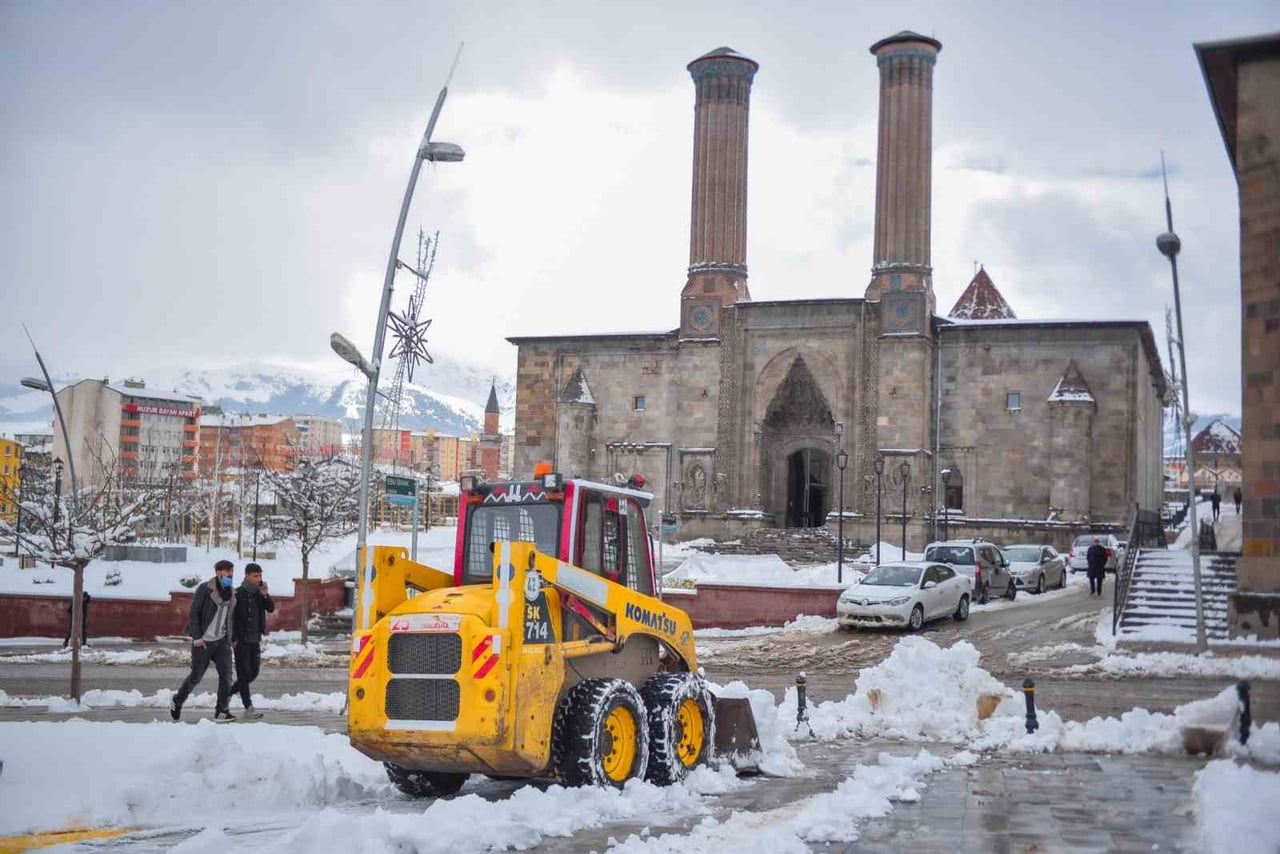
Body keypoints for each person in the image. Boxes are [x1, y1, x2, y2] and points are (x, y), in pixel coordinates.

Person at [170, 559, 238, 722]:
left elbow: (230, 618)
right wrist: (197, 637)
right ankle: (177, 700)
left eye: (231, 571)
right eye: (227, 571)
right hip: (203, 642)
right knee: (196, 676)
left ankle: (221, 710)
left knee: (227, 676)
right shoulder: (204, 589)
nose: (230, 574)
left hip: (221, 642)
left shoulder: (232, 592)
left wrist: (231, 638)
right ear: (218, 572)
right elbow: (194, 614)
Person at [227, 562, 274, 719]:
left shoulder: (259, 594)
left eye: (260, 575)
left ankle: (228, 692)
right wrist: (232, 638)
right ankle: (248, 707)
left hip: (255, 638)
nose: (259, 578)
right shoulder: (237, 593)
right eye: (255, 576)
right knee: (243, 674)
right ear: (247, 576)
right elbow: (230, 617)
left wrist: (265, 595)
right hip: (240, 640)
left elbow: (271, 608)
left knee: (253, 672)